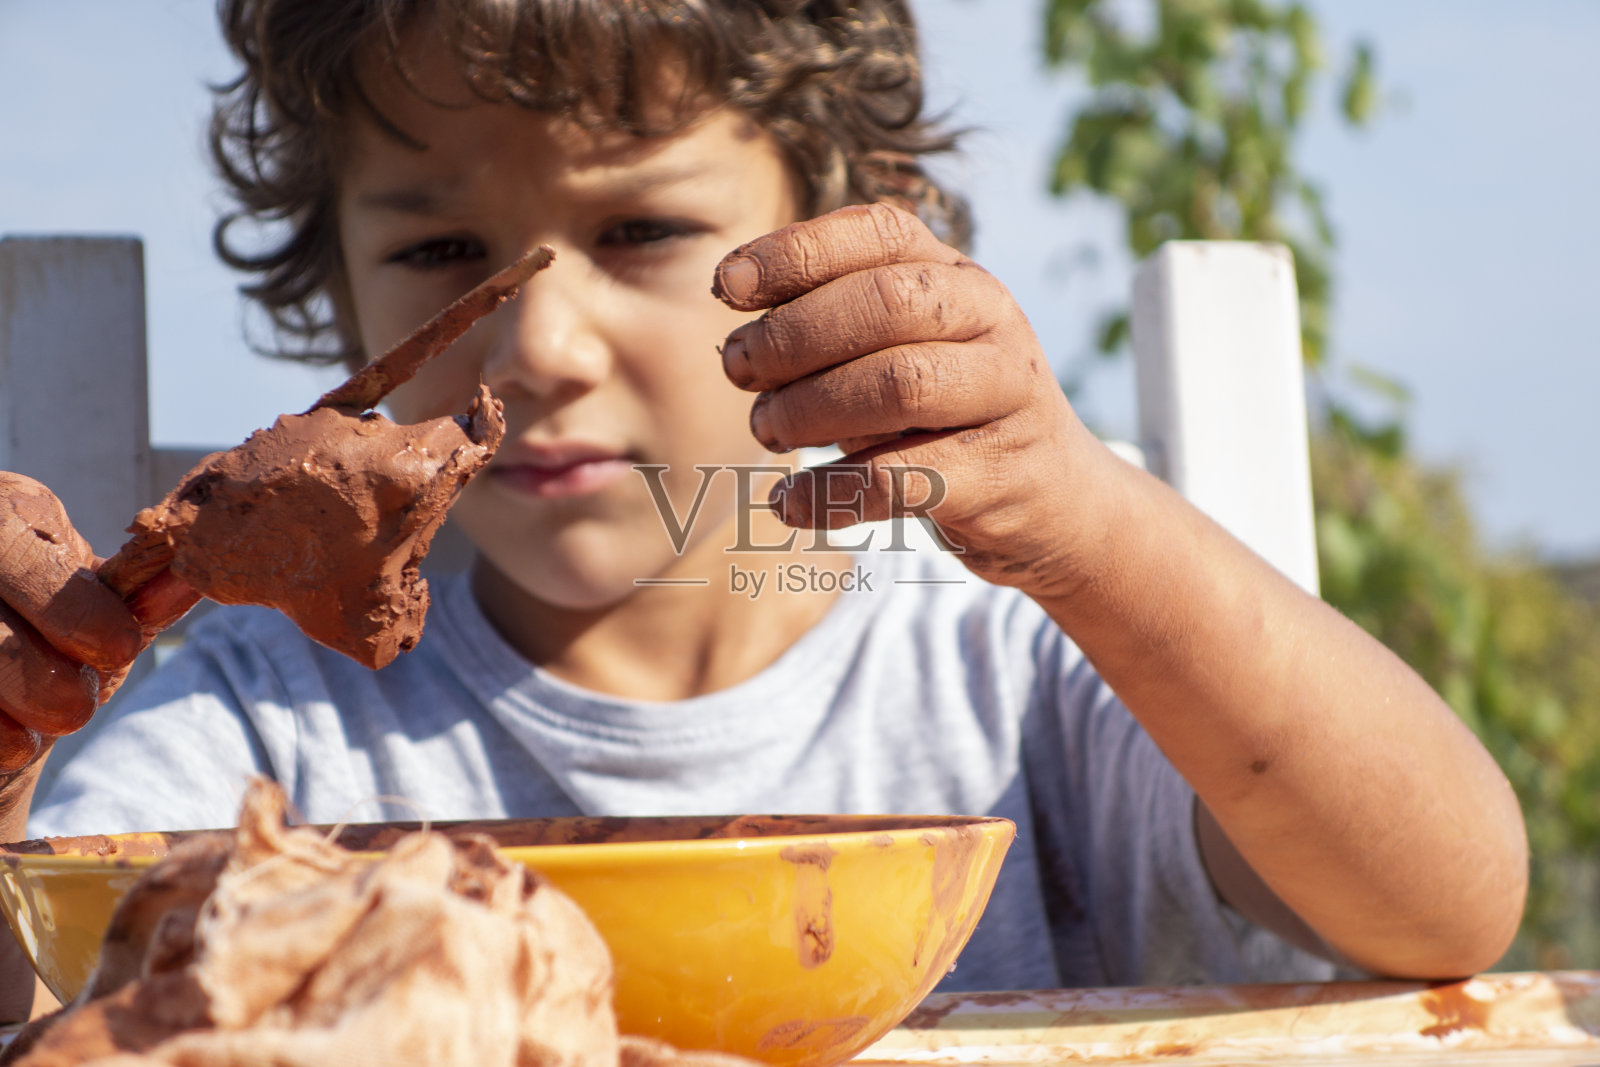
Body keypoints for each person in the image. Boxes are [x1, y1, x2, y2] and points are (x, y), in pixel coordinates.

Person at [1, 0, 1525, 1022]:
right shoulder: (270, 731)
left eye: (646, 229)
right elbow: (51, 986)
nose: (538, 346)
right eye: (443, 248)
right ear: (330, 279)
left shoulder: (1017, 664)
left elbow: (1447, 908)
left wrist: (1088, 521)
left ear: (849, 233)